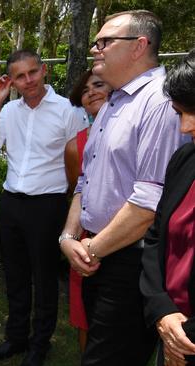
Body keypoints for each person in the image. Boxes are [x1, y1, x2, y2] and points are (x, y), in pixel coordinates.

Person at [59, 10, 187, 365]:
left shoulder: (159, 102)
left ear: (139, 46)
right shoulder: (113, 101)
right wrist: (68, 238)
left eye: (105, 42)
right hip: (97, 253)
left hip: (130, 260)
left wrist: (91, 250)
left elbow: (150, 202)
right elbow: (86, 179)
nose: (95, 50)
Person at [0, 50, 85, 366]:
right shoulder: (9, 110)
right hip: (11, 202)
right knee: (15, 276)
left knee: (45, 278)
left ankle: (40, 344)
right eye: (20, 76)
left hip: (47, 205)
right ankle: (16, 338)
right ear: (11, 81)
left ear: (44, 70)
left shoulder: (67, 110)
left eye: (33, 72)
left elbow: (78, 157)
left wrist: (67, 197)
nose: (29, 81)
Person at [140, 49, 195, 366]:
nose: (185, 127)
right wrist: (162, 311)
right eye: (179, 113)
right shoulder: (184, 160)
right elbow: (156, 237)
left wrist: (184, 336)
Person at [63, 69, 112, 353]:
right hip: (84, 241)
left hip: (129, 241)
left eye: (98, 85)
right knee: (84, 317)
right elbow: (76, 192)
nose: (91, 92)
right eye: (84, 90)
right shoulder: (74, 146)